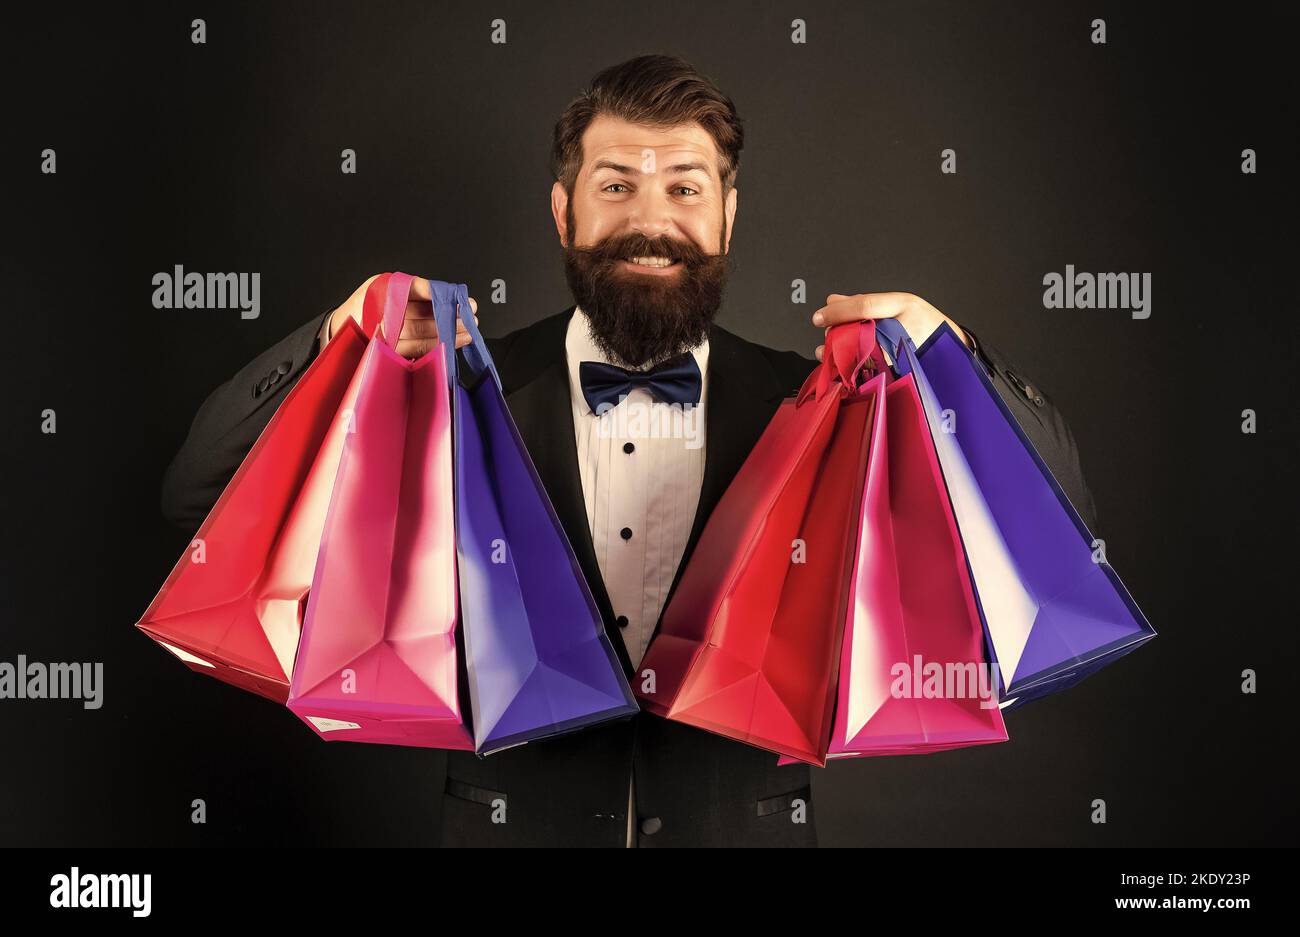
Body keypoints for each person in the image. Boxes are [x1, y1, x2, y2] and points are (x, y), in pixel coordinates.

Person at [161, 54, 1096, 848]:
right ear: (564, 211)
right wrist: (343, 339)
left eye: (685, 187)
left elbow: (1061, 524)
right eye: (617, 186)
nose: (652, 219)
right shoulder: (446, 383)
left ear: (728, 214)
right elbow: (198, 495)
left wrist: (950, 356)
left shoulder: (818, 404)